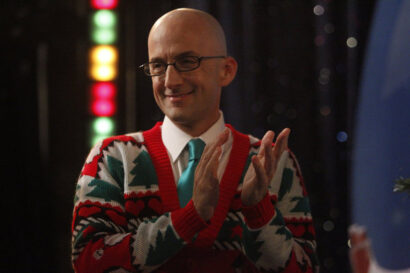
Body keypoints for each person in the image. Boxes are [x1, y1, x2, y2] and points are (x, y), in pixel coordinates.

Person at [71, 8, 319, 273]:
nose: (170, 80)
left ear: (226, 70)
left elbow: (304, 269)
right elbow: (87, 263)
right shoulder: (112, 156)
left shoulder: (271, 161)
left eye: (187, 61)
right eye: (157, 65)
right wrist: (190, 218)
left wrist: (259, 213)